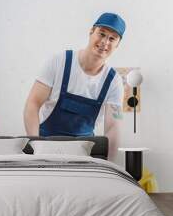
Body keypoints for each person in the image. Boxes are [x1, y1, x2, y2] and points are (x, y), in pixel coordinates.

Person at [23, 13, 125, 159]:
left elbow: (113, 127)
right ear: (91, 32)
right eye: (101, 34)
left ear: (117, 44)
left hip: (85, 154)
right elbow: (33, 104)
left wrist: (110, 165)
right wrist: (36, 148)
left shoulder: (114, 82)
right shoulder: (59, 62)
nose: (105, 42)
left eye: (112, 38)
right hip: (46, 148)